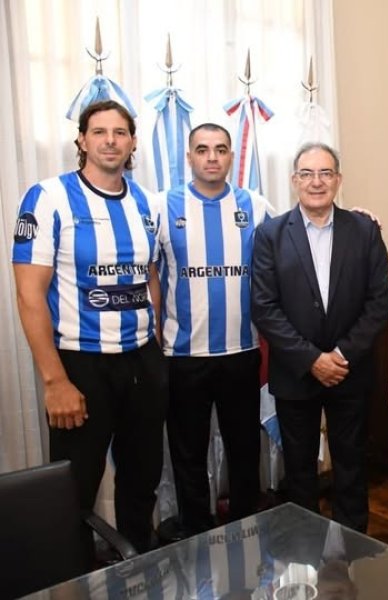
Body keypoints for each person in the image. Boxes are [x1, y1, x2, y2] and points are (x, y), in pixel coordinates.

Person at [11, 99, 167, 553]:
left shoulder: (145, 203)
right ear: (81, 139)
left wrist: (153, 348)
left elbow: (151, 276)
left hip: (141, 361)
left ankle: (136, 569)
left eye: (120, 132)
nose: (110, 141)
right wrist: (54, 380)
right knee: (75, 489)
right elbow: (29, 295)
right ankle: (74, 579)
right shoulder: (47, 198)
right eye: (99, 132)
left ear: (133, 142)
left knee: (141, 480)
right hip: (80, 365)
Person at [250, 142, 388, 533]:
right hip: (296, 374)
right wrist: (312, 359)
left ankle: (351, 550)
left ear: (339, 180)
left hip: (351, 372)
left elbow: (380, 301)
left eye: (326, 173)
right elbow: (264, 307)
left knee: (351, 465)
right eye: (308, 174)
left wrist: (342, 355)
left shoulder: (364, 231)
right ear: (295, 180)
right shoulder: (270, 234)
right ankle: (305, 550)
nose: (317, 182)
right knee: (299, 469)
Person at [157, 123, 271, 535]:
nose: (211, 157)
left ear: (231, 157)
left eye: (220, 149)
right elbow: (147, 274)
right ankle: (196, 532)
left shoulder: (255, 206)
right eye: (202, 149)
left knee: (244, 449)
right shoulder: (162, 206)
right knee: (188, 455)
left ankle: (245, 529)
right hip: (183, 356)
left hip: (240, 353)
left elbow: (296, 238)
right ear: (189, 156)